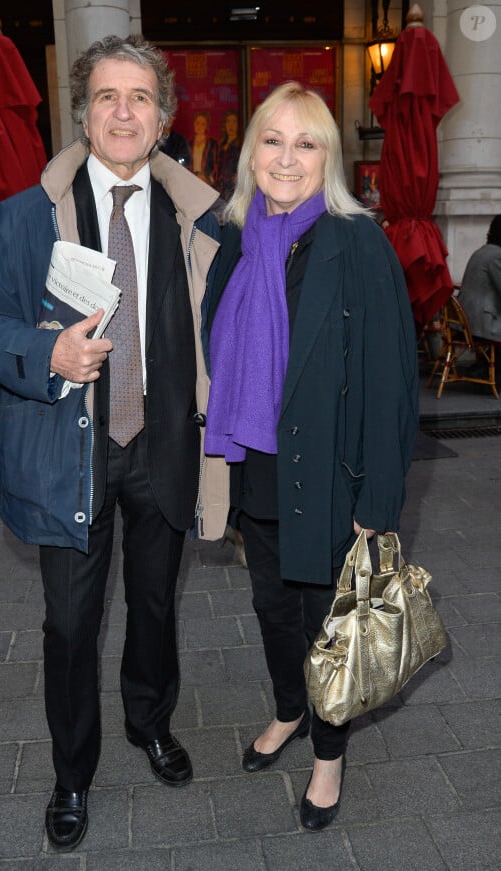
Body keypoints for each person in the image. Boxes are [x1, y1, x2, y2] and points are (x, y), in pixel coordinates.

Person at [0, 34, 228, 851]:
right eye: (107, 96)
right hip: (67, 448)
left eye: (139, 97)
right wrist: (47, 353)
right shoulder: (25, 216)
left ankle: (150, 721)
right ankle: (72, 770)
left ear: (163, 118)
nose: (122, 111)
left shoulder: (201, 215)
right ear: (83, 112)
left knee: (154, 606)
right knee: (70, 625)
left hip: (163, 446)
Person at [204, 82, 418, 832]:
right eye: (272, 139)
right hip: (251, 461)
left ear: (329, 156)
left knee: (329, 625)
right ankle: (289, 708)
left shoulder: (355, 238)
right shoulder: (234, 234)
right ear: (249, 152)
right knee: (271, 607)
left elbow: (393, 379)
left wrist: (378, 504)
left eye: (306, 142)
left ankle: (330, 753)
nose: (287, 157)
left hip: (331, 474)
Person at [457, 215, 501, 375]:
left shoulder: (482, 251)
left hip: (467, 319)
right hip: (481, 322)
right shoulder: (497, 256)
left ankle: (485, 366)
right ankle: (490, 369)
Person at [215, 110, 241, 201]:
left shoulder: (240, 144)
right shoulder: (221, 144)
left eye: (234, 121)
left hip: (232, 190)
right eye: (228, 121)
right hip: (220, 189)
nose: (231, 125)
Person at [187, 110, 218, 185]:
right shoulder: (189, 143)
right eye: (197, 123)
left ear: (207, 126)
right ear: (194, 124)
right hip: (191, 180)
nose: (199, 126)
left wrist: (209, 178)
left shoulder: (212, 143)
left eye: (203, 124)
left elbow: (216, 164)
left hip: (207, 182)